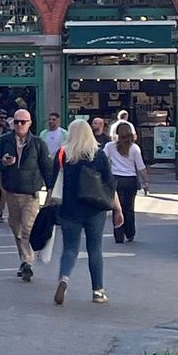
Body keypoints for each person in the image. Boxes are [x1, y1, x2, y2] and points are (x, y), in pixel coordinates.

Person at [53, 118, 116, 306]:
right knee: (95, 248)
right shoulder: (98, 155)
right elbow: (110, 183)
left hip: (69, 208)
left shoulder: (63, 154)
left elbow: (53, 181)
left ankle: (64, 278)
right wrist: (117, 208)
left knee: (70, 248)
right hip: (94, 208)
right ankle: (98, 291)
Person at [0, 106, 55, 282]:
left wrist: (51, 190)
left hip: (31, 193)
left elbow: (46, 167)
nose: (19, 125)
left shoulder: (38, 143)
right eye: (17, 122)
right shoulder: (4, 141)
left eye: (23, 122)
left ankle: (27, 262)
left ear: (29, 123)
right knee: (16, 228)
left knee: (28, 227)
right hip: (11, 191)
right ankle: (24, 259)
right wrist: (2, 162)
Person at [105, 121, 148, 244]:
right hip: (130, 180)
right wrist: (146, 181)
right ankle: (130, 233)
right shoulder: (134, 148)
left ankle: (119, 236)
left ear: (117, 133)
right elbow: (140, 167)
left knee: (116, 208)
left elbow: (103, 159)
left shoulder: (110, 146)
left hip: (115, 179)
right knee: (129, 207)